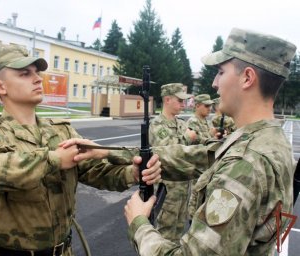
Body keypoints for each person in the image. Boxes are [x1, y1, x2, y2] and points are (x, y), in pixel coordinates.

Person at [66, 28, 297, 255]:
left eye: (220, 72)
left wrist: (139, 224)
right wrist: (106, 152)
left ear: (247, 77)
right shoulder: (270, 141)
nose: (215, 83)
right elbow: (191, 156)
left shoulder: (246, 163)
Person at [0, 45, 161, 256]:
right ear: (0, 86)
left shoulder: (61, 130)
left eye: (37, 72)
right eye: (25, 74)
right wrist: (54, 159)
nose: (38, 78)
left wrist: (131, 173)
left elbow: (93, 171)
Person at [149, 83, 196, 243]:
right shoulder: (157, 124)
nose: (183, 105)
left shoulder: (181, 124)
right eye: (180, 101)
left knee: (178, 230)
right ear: (167, 99)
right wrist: (188, 137)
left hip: (184, 187)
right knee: (165, 233)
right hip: (168, 189)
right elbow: (168, 150)